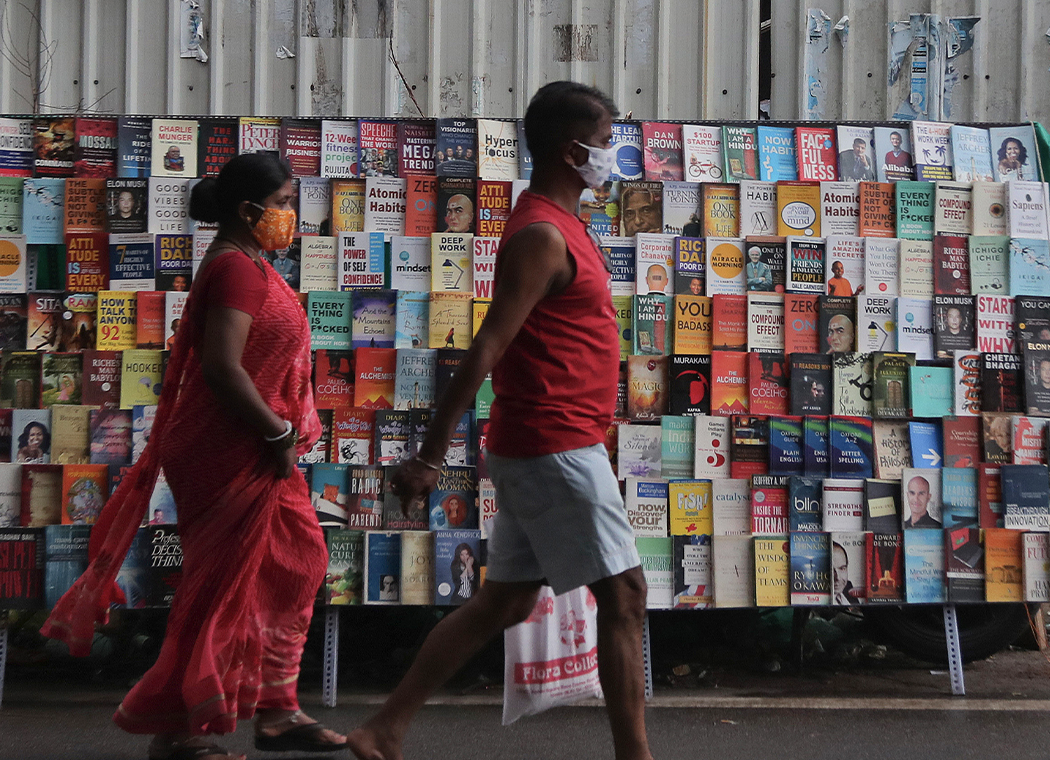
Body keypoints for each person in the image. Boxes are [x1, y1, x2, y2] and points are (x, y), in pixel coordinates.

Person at [348, 81, 652, 760]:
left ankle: (383, 728)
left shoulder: (562, 222)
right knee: (626, 595)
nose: (612, 155)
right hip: (555, 444)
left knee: (503, 603)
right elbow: (486, 347)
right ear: (571, 150)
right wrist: (428, 457)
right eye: (604, 144)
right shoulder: (543, 234)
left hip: (546, 443)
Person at [42, 153, 344, 760]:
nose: (292, 215)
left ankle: (277, 709)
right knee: (221, 584)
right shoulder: (234, 269)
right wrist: (277, 435)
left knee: (295, 566)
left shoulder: (254, 263)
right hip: (230, 448)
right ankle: (175, 732)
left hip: (255, 447)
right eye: (285, 203)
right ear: (247, 210)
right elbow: (222, 369)